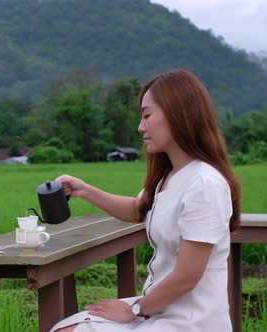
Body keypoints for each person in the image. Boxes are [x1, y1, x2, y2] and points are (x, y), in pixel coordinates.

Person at [50, 69, 242, 332]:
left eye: (147, 115)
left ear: (178, 113)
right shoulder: (169, 177)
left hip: (191, 321)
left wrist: (134, 309)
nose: (141, 127)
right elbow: (137, 209)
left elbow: (187, 277)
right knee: (65, 328)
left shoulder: (204, 184)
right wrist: (84, 190)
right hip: (160, 309)